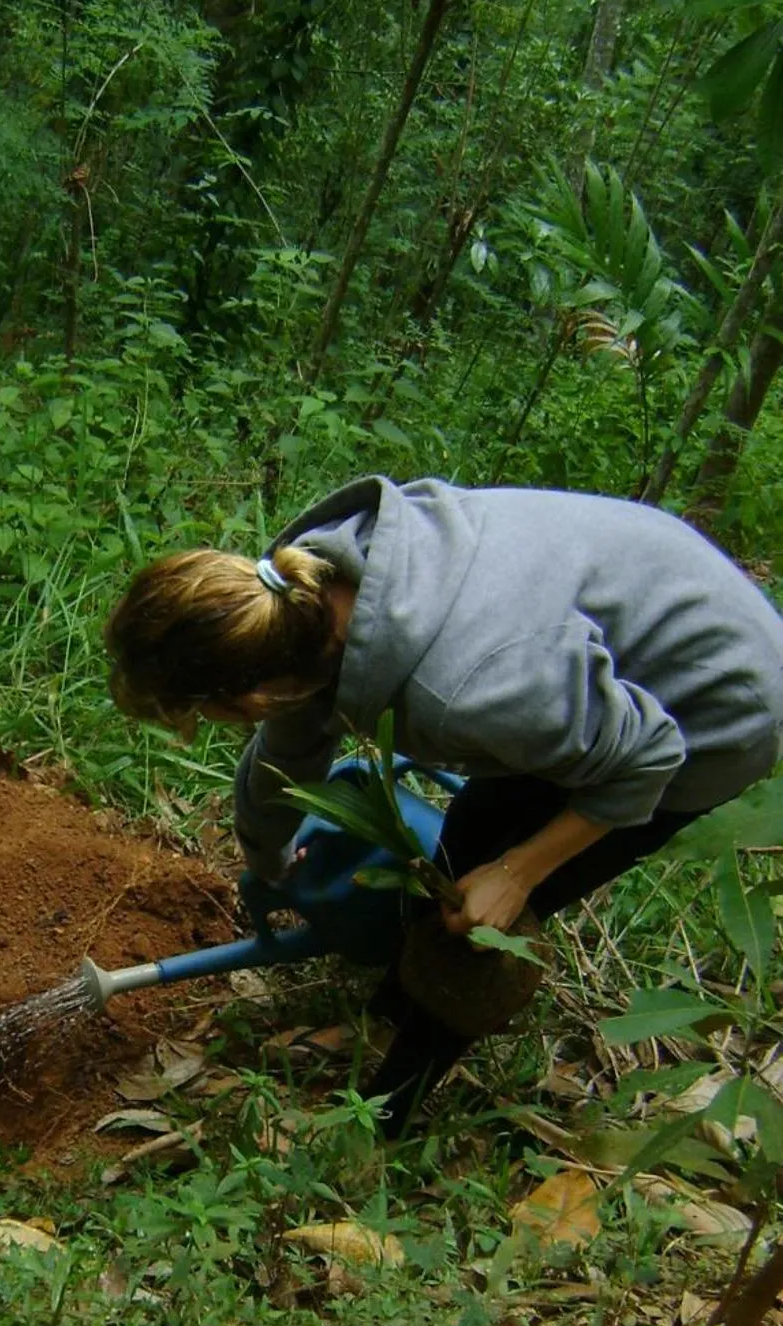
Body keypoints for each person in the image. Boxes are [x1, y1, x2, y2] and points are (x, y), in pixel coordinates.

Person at [105, 475, 783, 1132]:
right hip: (596, 636)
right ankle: (385, 1018)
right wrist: (271, 855)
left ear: (252, 693)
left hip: (713, 701)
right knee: (472, 834)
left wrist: (518, 874)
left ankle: (386, 1113)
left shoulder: (471, 687)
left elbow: (647, 758)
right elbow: (289, 745)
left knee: (476, 925)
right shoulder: (303, 593)